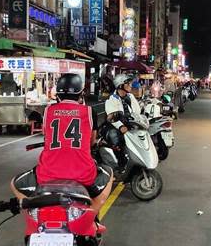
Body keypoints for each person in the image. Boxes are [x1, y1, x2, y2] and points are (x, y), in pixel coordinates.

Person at [10, 73, 114, 215]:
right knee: (109, 173)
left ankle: (33, 213)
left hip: (47, 174)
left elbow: (48, 137)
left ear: (57, 94)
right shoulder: (90, 112)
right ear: (81, 94)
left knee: (14, 183)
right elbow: (91, 141)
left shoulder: (48, 111)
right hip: (83, 174)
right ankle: (91, 213)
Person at [104, 74, 142, 169]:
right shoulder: (112, 99)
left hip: (129, 124)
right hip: (115, 126)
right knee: (116, 140)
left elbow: (137, 111)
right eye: (128, 84)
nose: (131, 86)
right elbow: (112, 117)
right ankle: (120, 164)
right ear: (121, 85)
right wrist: (120, 126)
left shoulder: (130, 96)